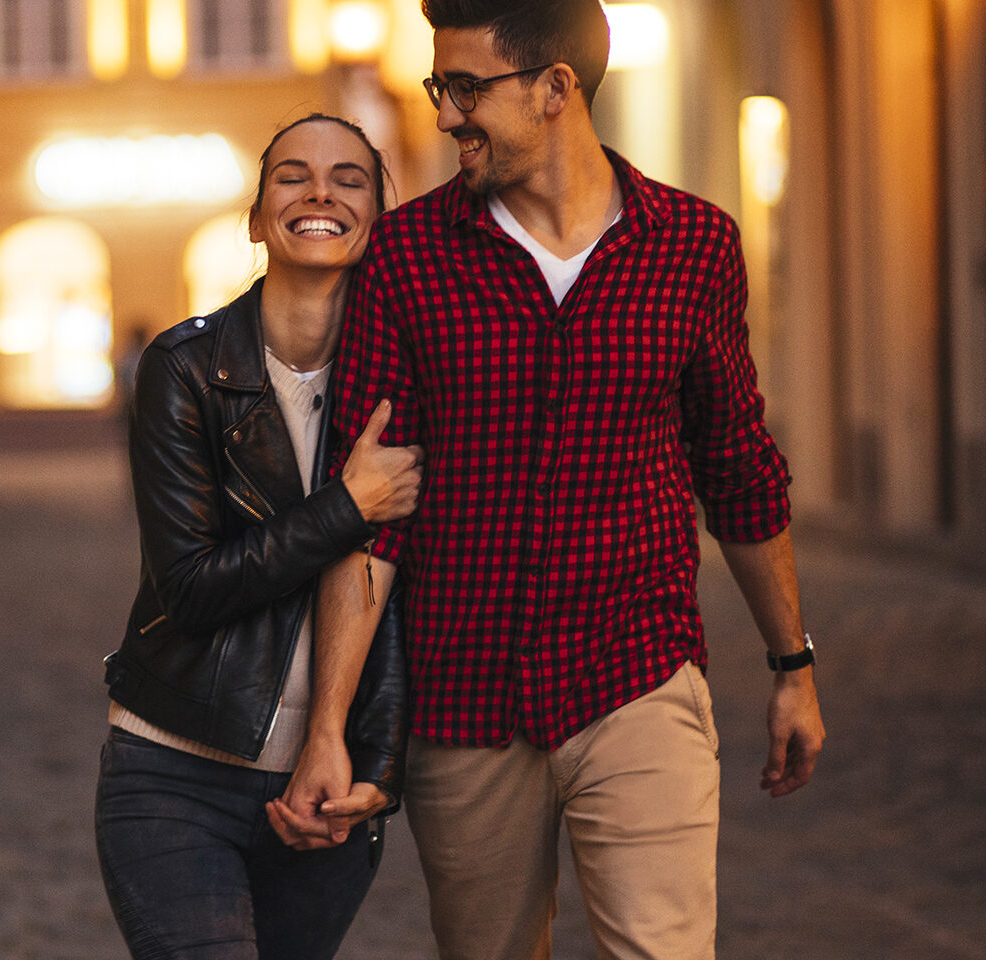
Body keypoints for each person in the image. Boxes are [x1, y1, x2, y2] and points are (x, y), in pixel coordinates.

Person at [274, 2, 828, 959]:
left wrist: (793, 665)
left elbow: (737, 465)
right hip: (464, 702)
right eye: (437, 87)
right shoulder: (406, 260)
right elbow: (370, 517)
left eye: (465, 89)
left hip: (638, 678)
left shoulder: (692, 247)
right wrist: (328, 727)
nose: (445, 115)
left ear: (556, 89)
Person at [95, 115, 424, 960]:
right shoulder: (187, 369)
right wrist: (348, 506)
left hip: (327, 787)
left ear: (380, 220)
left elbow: (409, 601)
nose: (320, 191)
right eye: (293, 175)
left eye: (350, 178)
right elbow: (194, 587)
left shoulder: (416, 383)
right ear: (255, 218)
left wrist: (375, 773)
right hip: (176, 770)